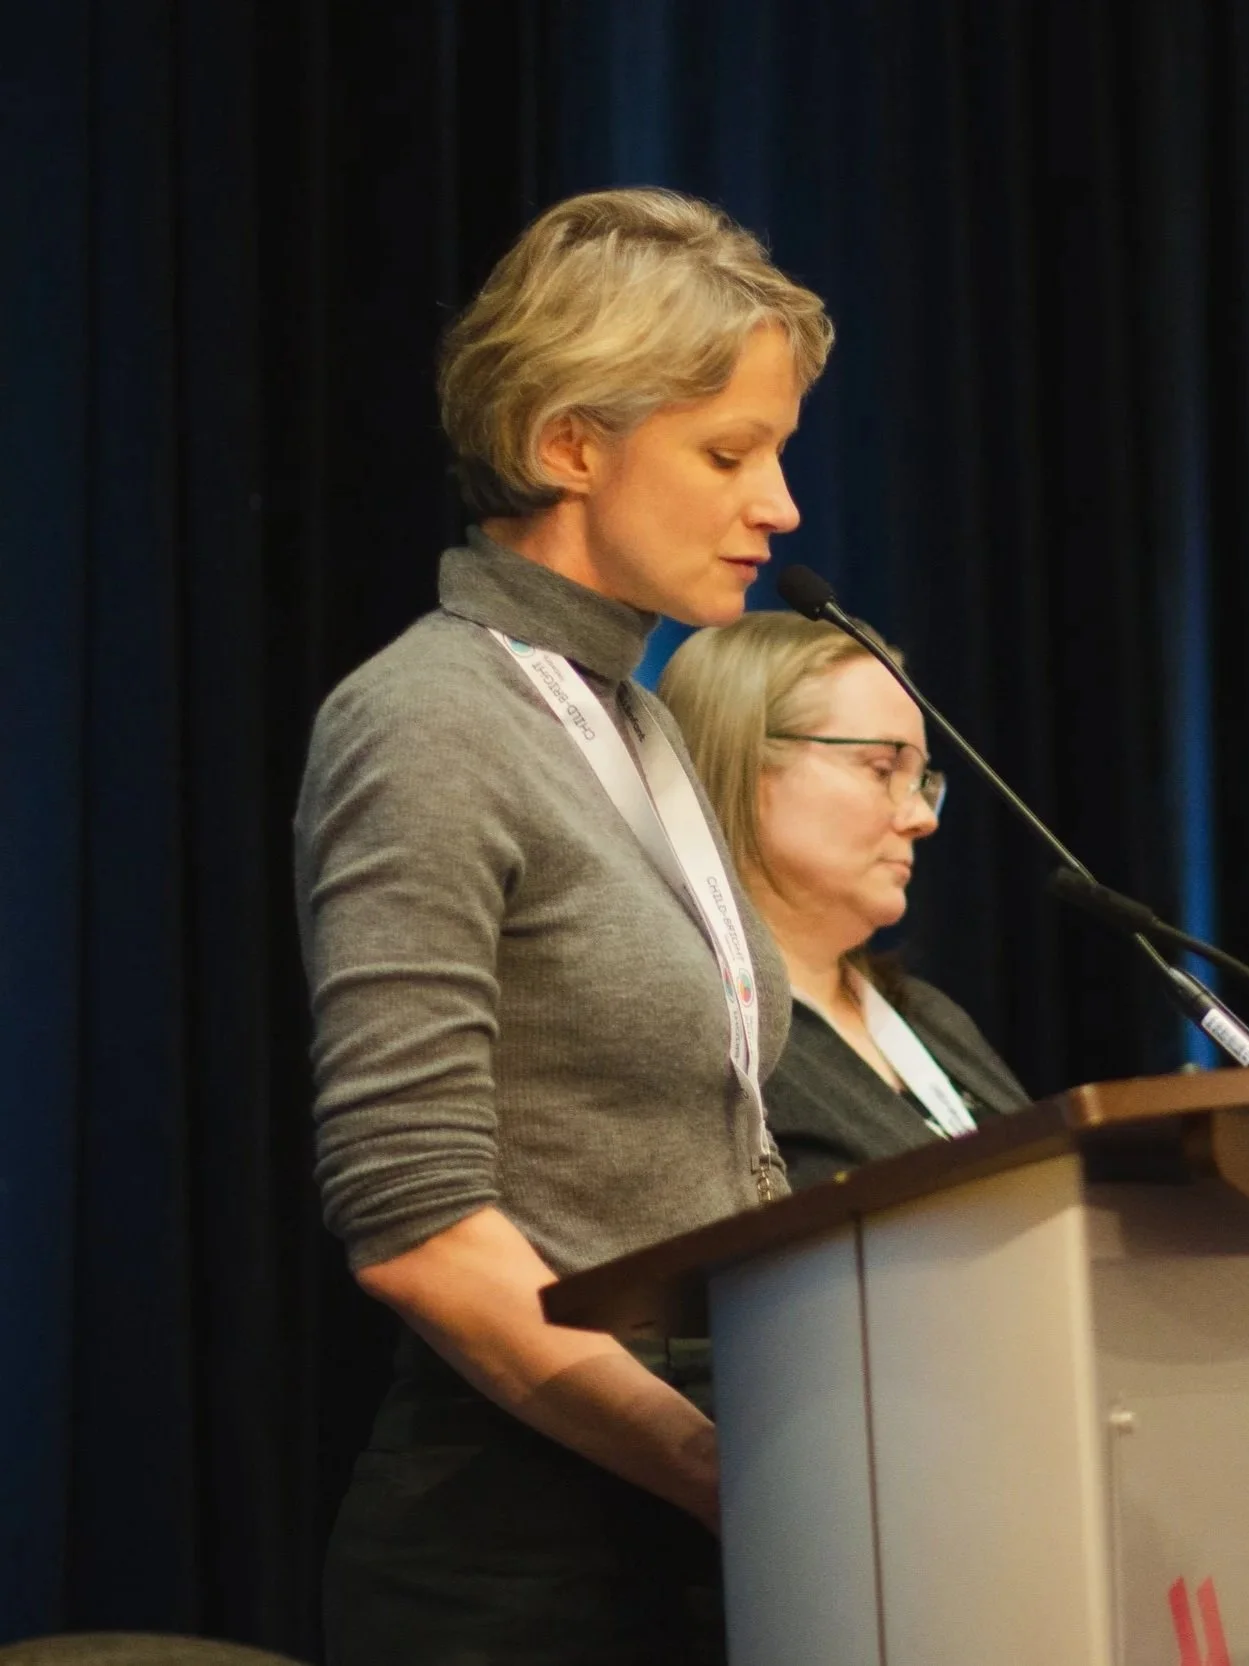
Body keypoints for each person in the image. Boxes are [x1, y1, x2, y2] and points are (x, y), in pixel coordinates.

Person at [293, 188, 832, 1665]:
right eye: (731, 452)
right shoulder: (425, 721)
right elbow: (413, 1222)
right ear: (567, 444)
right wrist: (716, 1468)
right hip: (513, 1568)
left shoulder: (640, 722)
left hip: (679, 1519)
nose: (779, 505)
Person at [657, 612, 1030, 1190]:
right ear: (744, 763)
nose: (922, 818)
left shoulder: (929, 1017)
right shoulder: (690, 1029)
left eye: (923, 781)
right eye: (883, 769)